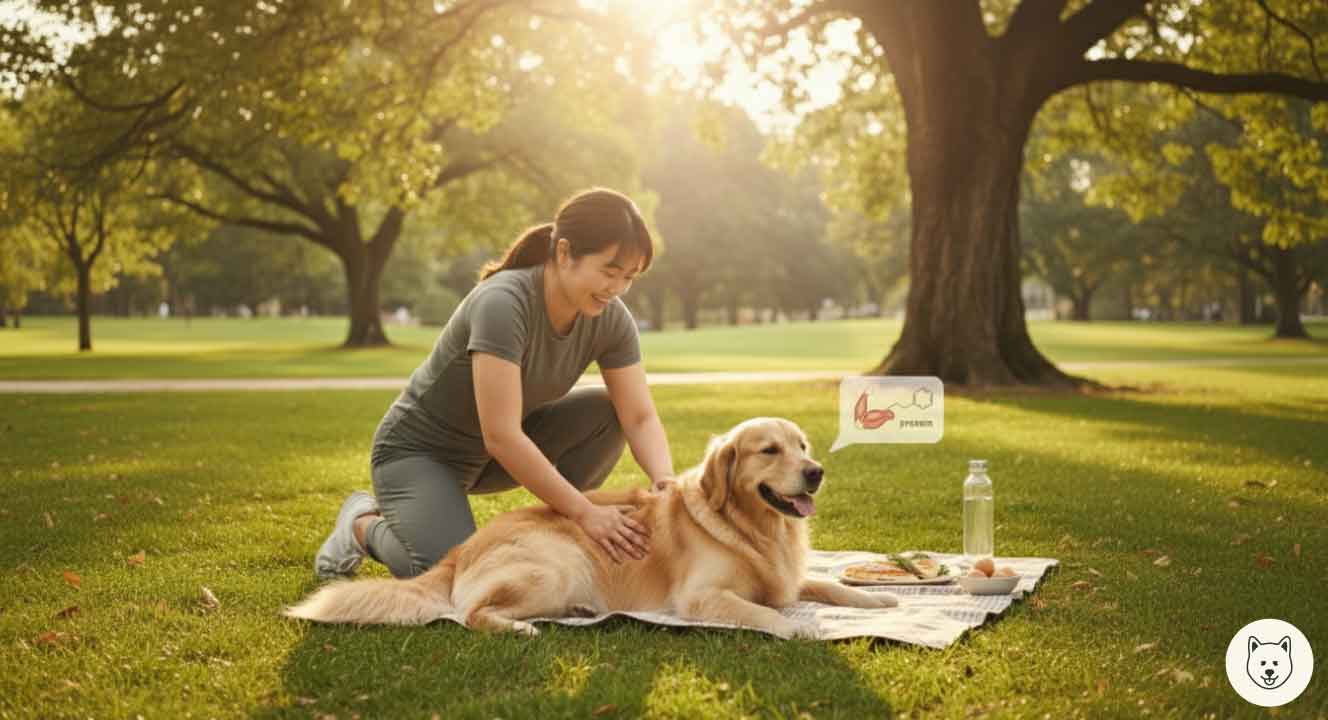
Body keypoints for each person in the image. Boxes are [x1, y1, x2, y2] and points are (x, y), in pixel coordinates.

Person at [314, 188, 676, 580]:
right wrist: (587, 511)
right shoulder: (503, 303)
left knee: (609, 411)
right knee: (453, 576)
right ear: (564, 253)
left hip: (493, 458)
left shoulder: (611, 318)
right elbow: (501, 434)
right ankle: (361, 524)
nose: (617, 288)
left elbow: (638, 416)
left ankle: (559, 536)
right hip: (419, 454)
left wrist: (665, 481)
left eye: (629, 278)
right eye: (609, 271)